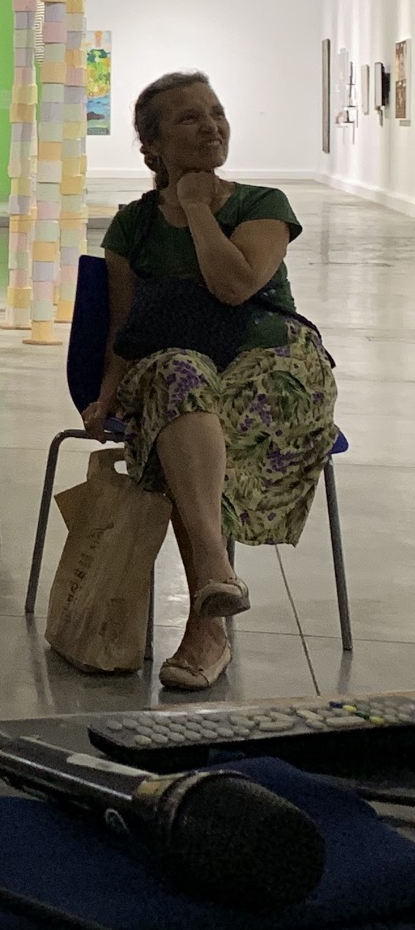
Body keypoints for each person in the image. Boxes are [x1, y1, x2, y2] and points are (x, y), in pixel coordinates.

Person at [84, 71, 338, 692]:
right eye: (189, 118)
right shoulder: (133, 225)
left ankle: (207, 619)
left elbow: (235, 285)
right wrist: (107, 394)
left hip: (273, 365)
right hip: (179, 369)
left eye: (216, 113)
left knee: (188, 436)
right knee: (179, 381)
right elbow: (124, 326)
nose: (211, 127)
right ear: (151, 145)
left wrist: (197, 207)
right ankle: (215, 577)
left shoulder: (262, 204)